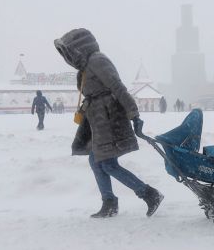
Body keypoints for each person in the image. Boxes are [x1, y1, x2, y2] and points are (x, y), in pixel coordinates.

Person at [55, 28, 163, 218]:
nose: (70, 56)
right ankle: (110, 203)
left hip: (110, 117)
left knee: (106, 163)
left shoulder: (98, 60)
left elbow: (118, 87)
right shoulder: (86, 66)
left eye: (71, 51)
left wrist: (134, 114)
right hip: (97, 120)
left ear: (80, 47)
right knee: (96, 160)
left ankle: (149, 194)